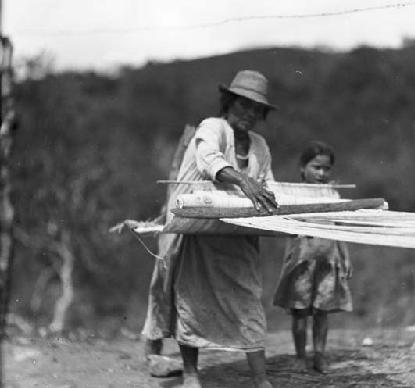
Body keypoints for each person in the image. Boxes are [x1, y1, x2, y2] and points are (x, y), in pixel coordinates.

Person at [142, 70, 278, 388]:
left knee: (248, 300)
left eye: (255, 109)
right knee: (193, 298)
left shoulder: (259, 145)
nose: (248, 113)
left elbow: (269, 186)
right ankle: (191, 375)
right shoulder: (212, 128)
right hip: (198, 231)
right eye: (242, 105)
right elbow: (208, 160)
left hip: (238, 236)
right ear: (229, 103)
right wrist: (244, 181)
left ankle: (261, 380)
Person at [273, 140, 353, 373]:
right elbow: (286, 225)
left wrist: (345, 256)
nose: (321, 173)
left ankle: (319, 355)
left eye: (326, 169)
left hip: (328, 260)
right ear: (302, 168)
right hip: (302, 260)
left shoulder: (333, 193)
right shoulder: (293, 194)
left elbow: (339, 226)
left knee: (322, 311)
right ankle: (300, 356)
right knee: (300, 312)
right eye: (316, 168)